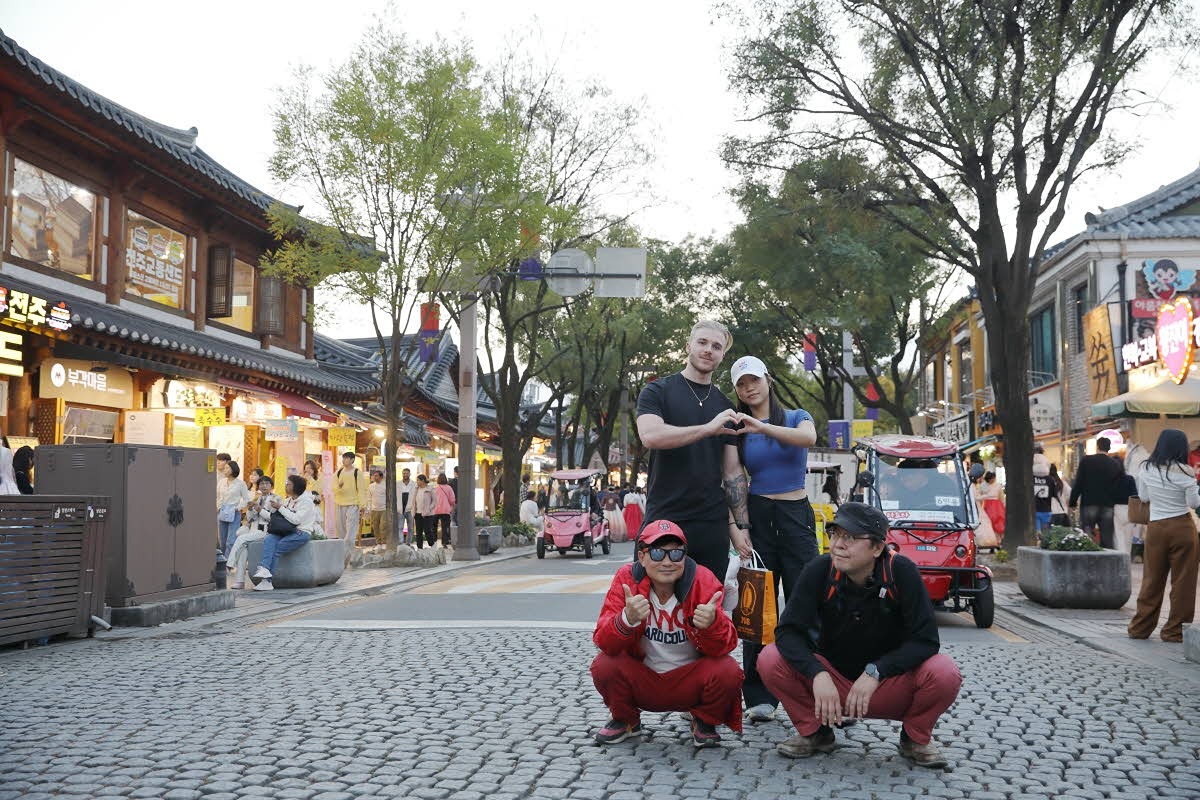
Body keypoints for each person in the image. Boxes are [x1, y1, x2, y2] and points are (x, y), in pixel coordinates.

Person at [758, 502, 962, 769]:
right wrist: (817, 673)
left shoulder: (902, 572)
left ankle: (914, 738)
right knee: (770, 658)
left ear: (877, 548)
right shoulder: (820, 570)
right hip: (832, 685)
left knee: (944, 672)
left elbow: (925, 641)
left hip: (887, 685)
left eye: (851, 538)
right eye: (836, 535)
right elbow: (787, 632)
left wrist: (877, 671)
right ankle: (815, 733)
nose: (838, 545)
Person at [590, 520, 743, 748]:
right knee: (604, 665)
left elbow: (727, 645)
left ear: (685, 557)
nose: (667, 562)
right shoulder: (627, 579)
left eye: (676, 554)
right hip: (643, 678)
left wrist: (712, 624)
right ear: (642, 557)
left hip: (690, 681)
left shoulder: (703, 579)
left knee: (728, 671)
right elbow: (603, 641)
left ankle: (704, 720)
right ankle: (625, 719)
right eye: (658, 553)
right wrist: (626, 620)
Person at [728, 354, 819, 724]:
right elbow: (732, 476)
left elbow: (808, 439)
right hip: (760, 516)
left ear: (768, 379)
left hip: (796, 515)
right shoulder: (736, 428)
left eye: (753, 380)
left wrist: (762, 427)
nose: (749, 388)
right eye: (740, 384)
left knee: (806, 602)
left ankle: (814, 686)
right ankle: (759, 693)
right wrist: (739, 527)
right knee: (758, 607)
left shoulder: (796, 416)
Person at [636, 319, 752, 582]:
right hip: (664, 519)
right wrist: (708, 428)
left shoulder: (725, 405)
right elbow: (650, 436)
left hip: (712, 525)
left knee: (707, 612)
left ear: (722, 355)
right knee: (653, 608)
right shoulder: (657, 391)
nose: (708, 349)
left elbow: (733, 471)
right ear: (688, 345)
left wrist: (741, 525)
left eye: (716, 346)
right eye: (702, 342)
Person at [1129, 428, 1200, 643]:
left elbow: (1143, 496)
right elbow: (1193, 503)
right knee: (1183, 582)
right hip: (1182, 529)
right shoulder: (1186, 471)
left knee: (1152, 579)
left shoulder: (1146, 469)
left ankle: (1140, 628)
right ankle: (1174, 631)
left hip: (1157, 528)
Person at [252, 474, 317, 592]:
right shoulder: (287, 501)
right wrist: (260, 509)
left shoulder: (306, 502)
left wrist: (280, 508)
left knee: (279, 546)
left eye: (289, 484)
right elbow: (274, 518)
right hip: (286, 531)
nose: (286, 485)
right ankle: (264, 568)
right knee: (269, 539)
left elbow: (296, 520)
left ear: (296, 486)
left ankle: (267, 581)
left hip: (301, 532)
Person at [1069, 436, 1122, 549]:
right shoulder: (1115, 464)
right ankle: (1107, 561)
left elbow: (1079, 482)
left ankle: (1088, 558)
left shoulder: (1086, 461)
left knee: (1087, 533)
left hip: (1089, 502)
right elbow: (1118, 486)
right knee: (1107, 535)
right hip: (1108, 504)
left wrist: (1072, 501)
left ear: (1097, 446)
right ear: (1109, 448)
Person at [227, 475, 278, 589]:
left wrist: (260, 510)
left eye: (267, 483)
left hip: (266, 531)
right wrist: (250, 509)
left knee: (241, 539)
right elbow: (250, 518)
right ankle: (240, 581)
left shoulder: (276, 499)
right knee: (243, 548)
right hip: (254, 530)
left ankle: (229, 564)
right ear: (258, 486)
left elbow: (273, 518)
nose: (264, 486)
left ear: (271, 486)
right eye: (262, 484)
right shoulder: (257, 498)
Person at [216, 460, 251, 562]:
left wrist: (237, 508)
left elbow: (246, 499)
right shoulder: (221, 482)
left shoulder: (240, 483)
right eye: (225, 468)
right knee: (222, 539)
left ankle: (228, 562)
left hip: (234, 512)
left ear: (233, 469)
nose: (224, 470)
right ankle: (221, 561)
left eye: (227, 468)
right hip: (222, 511)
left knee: (230, 540)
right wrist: (218, 507)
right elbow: (218, 497)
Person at [333, 451, 366, 553]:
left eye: (346, 458)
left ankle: (349, 549)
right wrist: (339, 486)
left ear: (352, 460)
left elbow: (361, 489)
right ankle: (343, 551)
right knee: (340, 530)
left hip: (353, 504)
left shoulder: (357, 473)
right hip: (339, 503)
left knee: (351, 528)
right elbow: (333, 488)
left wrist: (363, 505)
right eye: (343, 458)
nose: (344, 460)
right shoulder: (338, 473)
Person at [1032, 445, 1052, 534]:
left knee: (1037, 531)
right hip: (1046, 508)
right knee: (1046, 532)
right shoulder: (1046, 461)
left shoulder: (1031, 477)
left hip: (1034, 507)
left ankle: (1038, 534)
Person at [366, 469, 388, 547]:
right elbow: (369, 498)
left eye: (376, 476)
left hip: (384, 509)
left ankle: (384, 542)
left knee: (383, 526)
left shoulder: (386, 485)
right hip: (374, 509)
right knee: (375, 527)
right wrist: (368, 509)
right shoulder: (371, 486)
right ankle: (378, 543)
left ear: (381, 477)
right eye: (373, 476)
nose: (374, 477)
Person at [414, 474, 437, 549]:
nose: (416, 482)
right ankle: (419, 548)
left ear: (423, 481)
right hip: (418, 513)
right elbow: (413, 501)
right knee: (418, 532)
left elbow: (434, 501)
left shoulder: (430, 489)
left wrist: (429, 509)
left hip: (428, 514)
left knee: (427, 531)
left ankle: (432, 545)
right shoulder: (416, 489)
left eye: (418, 480)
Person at [434, 473, 455, 547]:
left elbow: (432, 500)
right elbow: (452, 500)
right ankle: (444, 542)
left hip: (436, 510)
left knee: (434, 526)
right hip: (446, 510)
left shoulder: (436, 488)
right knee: (445, 527)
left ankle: (434, 542)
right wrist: (451, 506)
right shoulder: (449, 488)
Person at [397, 468, 416, 545]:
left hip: (410, 509)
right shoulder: (398, 483)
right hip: (400, 508)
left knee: (410, 528)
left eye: (407, 473)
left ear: (409, 474)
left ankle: (408, 543)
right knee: (400, 527)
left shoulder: (414, 484)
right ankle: (401, 543)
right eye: (404, 473)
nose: (405, 475)